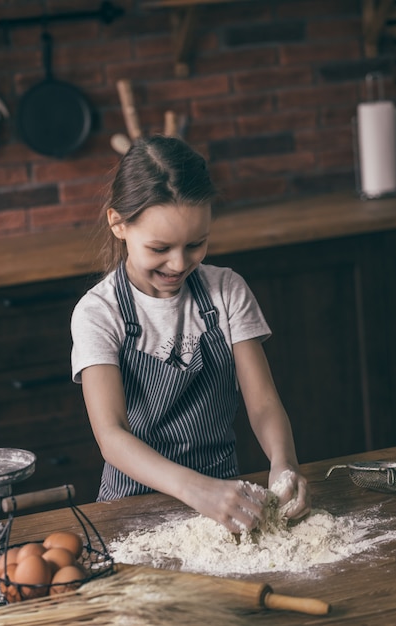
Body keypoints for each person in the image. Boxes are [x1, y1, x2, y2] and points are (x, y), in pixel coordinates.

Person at [71, 135, 310, 533]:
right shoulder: (98, 312)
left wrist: (284, 464)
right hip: (132, 508)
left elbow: (263, 403)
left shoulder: (227, 290)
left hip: (225, 498)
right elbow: (111, 435)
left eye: (196, 244)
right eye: (160, 248)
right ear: (118, 224)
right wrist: (198, 491)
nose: (179, 263)